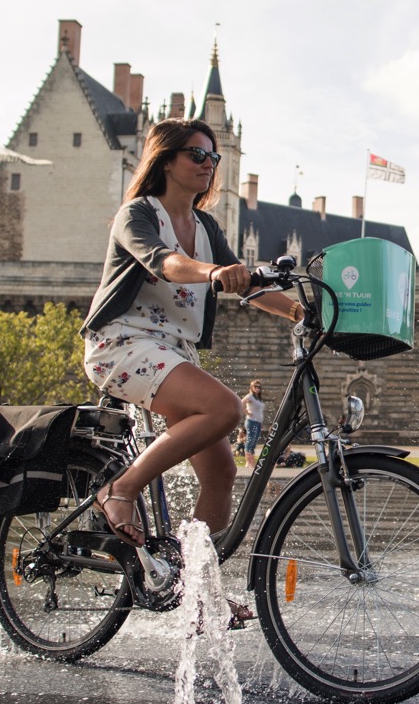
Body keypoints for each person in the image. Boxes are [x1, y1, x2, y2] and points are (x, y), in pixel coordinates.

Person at [80, 119, 303, 579]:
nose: (208, 165)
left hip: (173, 353)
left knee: (221, 473)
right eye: (196, 155)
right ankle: (119, 490)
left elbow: (248, 287)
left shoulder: (205, 225)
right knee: (225, 409)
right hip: (122, 343)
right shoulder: (136, 215)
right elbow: (167, 263)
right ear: (165, 160)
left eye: (213, 157)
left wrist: (300, 313)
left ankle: (194, 589)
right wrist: (213, 272)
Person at [241, 379, 266, 458]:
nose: (257, 388)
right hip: (251, 421)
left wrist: (260, 423)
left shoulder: (258, 398)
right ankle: (248, 462)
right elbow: (241, 403)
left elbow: (259, 412)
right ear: (252, 387)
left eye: (259, 387)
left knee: (254, 441)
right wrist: (247, 412)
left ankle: (251, 460)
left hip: (258, 422)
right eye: (255, 386)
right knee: (250, 440)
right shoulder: (250, 396)